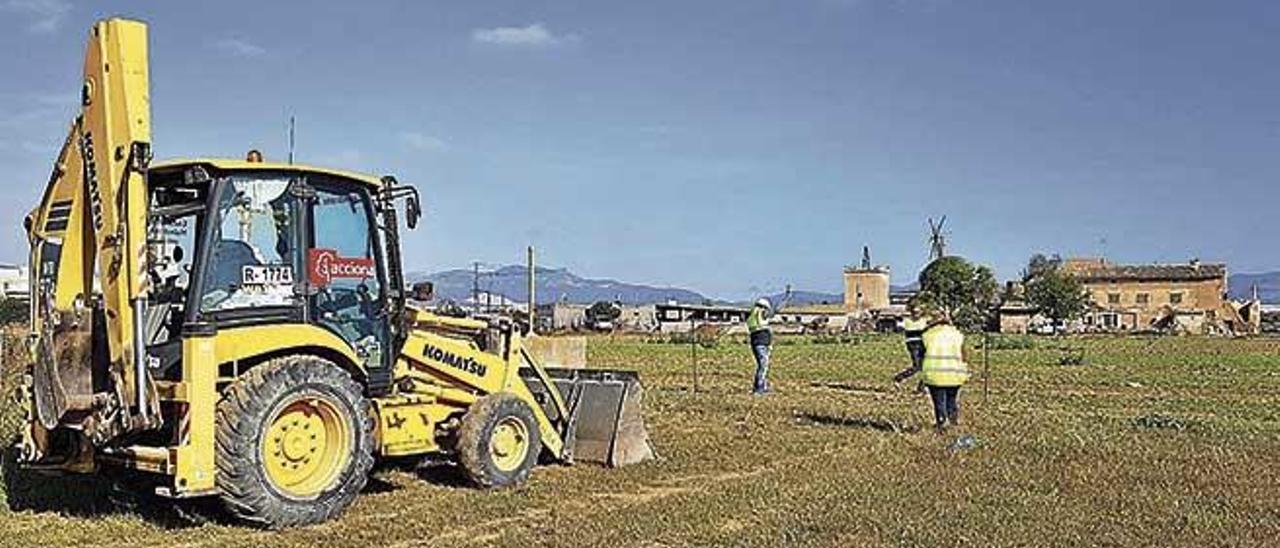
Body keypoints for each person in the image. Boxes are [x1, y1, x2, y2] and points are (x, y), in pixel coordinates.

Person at [919, 314, 970, 432]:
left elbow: (921, 356)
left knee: (939, 402)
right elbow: (964, 355)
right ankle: (953, 423)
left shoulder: (927, 335)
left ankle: (942, 424)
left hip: (934, 374)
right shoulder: (958, 335)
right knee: (951, 400)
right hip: (955, 373)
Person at [746, 297, 779, 395]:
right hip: (762, 344)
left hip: (756, 343)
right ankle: (759, 389)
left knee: (762, 366)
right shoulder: (761, 313)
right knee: (763, 366)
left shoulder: (752, 316)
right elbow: (770, 314)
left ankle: (762, 387)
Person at [893, 301, 929, 384]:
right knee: (917, 366)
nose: (916, 314)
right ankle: (899, 378)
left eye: (918, 312)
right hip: (913, 345)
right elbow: (899, 328)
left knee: (927, 366)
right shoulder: (906, 321)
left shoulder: (924, 320)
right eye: (915, 312)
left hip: (923, 344)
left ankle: (922, 387)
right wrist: (898, 319)